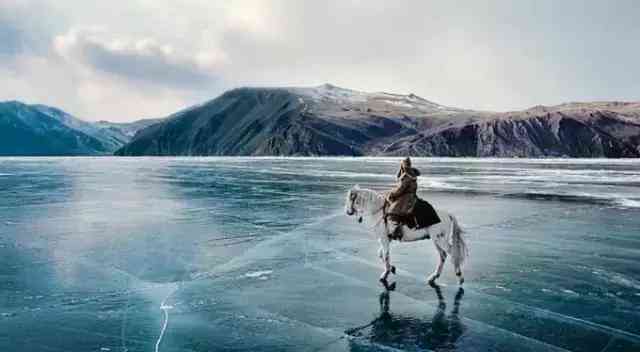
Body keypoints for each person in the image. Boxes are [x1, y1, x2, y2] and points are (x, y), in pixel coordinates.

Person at [385, 157, 421, 235]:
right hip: (411, 195)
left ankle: (396, 229)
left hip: (406, 197)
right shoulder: (412, 174)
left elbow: (401, 188)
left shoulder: (406, 176)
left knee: (393, 211)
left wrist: (392, 194)